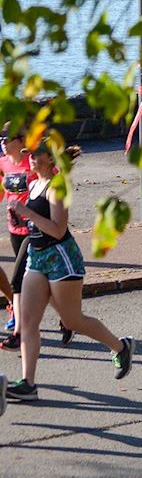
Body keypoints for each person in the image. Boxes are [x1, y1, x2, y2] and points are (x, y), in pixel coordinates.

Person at [5, 142, 135, 403]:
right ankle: (28, 384)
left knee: (73, 320)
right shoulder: (33, 184)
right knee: (29, 323)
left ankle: (120, 347)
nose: (28, 158)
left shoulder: (57, 186)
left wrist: (27, 212)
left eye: (35, 154)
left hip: (62, 259)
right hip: (38, 256)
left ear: (50, 160)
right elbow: (37, 223)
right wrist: (22, 220)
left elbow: (58, 229)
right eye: (27, 154)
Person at [1, 131, 36, 350]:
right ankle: (67, 319)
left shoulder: (32, 161)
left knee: (21, 279)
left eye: (7, 138)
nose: (3, 143)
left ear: (21, 141)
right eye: (0, 139)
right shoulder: (3, 163)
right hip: (14, 229)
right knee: (32, 278)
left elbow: (52, 182)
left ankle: (19, 332)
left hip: (35, 230)